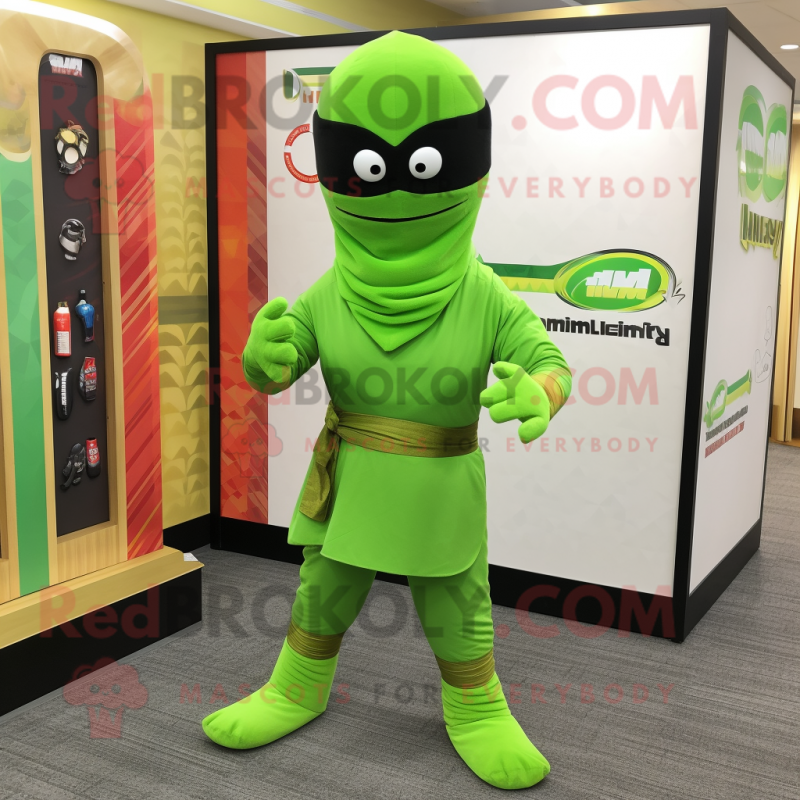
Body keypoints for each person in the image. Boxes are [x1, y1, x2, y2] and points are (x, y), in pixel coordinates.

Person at [203, 30, 571, 790]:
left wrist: (539, 391)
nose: (397, 188)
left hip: (441, 483)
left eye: (424, 165)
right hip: (354, 481)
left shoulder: (484, 294)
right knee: (325, 588)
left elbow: (549, 360)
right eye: (371, 167)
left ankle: (478, 708)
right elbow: (281, 365)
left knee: (456, 600)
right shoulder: (330, 292)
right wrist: (262, 358)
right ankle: (295, 689)